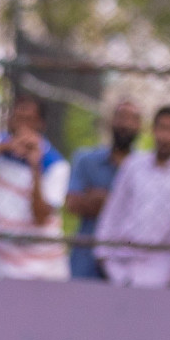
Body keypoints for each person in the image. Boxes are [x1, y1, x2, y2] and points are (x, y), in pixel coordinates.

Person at [94, 105, 170, 290]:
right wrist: (103, 256)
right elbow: (114, 212)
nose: (166, 136)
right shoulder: (133, 165)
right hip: (120, 266)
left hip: (165, 271)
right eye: (162, 128)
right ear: (153, 130)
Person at [0, 94, 71, 280]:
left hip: (45, 268)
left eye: (28, 120)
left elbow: (41, 216)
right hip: (3, 264)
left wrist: (35, 166)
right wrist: (5, 148)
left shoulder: (56, 165)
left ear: (40, 124)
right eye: (17, 118)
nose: (21, 126)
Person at [65, 100, 142, 280]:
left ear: (140, 126)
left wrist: (99, 199)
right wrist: (122, 204)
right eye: (121, 117)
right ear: (111, 122)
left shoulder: (144, 168)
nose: (126, 124)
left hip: (129, 260)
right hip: (86, 257)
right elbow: (73, 204)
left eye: (133, 119)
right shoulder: (85, 160)